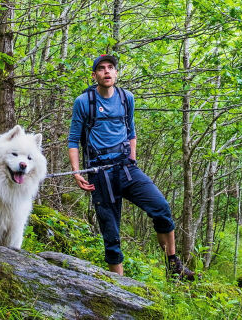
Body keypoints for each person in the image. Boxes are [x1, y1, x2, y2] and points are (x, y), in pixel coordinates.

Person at [67, 54, 195, 280]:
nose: (107, 72)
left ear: (116, 73)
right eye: (101, 68)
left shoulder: (127, 98)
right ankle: (121, 289)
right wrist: (77, 172)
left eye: (111, 68)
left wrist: (132, 159)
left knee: (161, 208)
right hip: (99, 173)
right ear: (94, 74)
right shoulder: (84, 102)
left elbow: (131, 131)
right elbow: (73, 140)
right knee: (112, 235)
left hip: (126, 168)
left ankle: (172, 264)